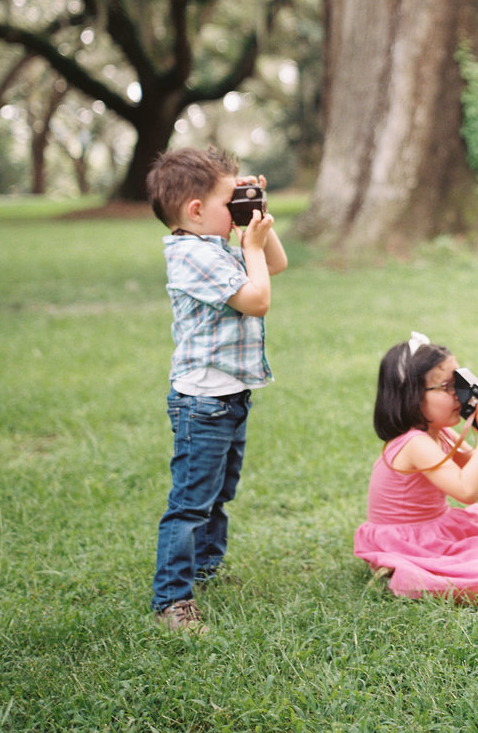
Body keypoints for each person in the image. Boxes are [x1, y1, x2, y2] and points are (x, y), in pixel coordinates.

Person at [145, 146, 288, 632]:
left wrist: (256, 214)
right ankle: (172, 600)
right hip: (202, 403)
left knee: (218, 493)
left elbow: (279, 264)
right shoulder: (190, 255)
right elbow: (258, 299)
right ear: (195, 211)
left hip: (228, 398)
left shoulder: (212, 242)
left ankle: (204, 568)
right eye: (231, 202)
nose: (237, 213)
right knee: (190, 503)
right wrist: (249, 247)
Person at [354, 332, 478, 600]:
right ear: (411, 395)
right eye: (448, 387)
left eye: (461, 382)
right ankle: (400, 571)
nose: (460, 395)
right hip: (404, 541)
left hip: (433, 526)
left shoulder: (441, 434)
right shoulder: (414, 443)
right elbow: (467, 491)